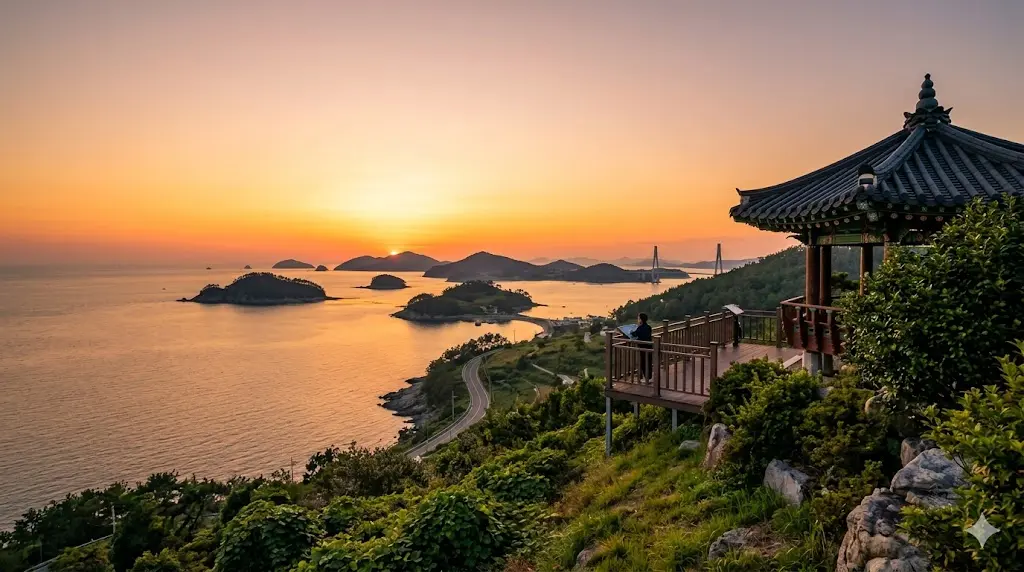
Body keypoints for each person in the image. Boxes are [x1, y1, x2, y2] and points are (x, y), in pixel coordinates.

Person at [635, 312, 653, 381]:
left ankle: (646, 379)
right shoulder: (648, 327)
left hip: (643, 347)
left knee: (644, 363)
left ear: (641, 320)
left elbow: (634, 334)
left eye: (638, 318)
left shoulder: (640, 328)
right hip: (649, 347)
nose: (638, 320)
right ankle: (649, 377)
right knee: (649, 362)